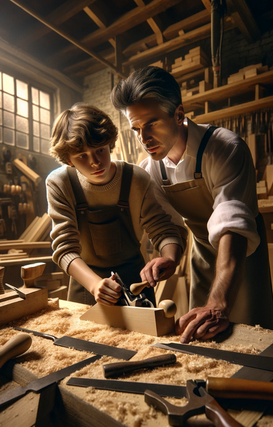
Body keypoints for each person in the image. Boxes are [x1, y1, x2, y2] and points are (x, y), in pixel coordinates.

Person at [110, 66, 273, 342]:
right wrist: (170, 257)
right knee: (203, 338)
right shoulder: (150, 169)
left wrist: (219, 302)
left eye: (151, 123)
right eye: (136, 128)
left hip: (241, 256)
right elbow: (171, 226)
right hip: (202, 255)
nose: (143, 138)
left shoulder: (224, 148)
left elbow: (232, 227)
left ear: (178, 115)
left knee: (253, 341)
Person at [46, 103, 183, 306]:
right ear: (69, 159)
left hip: (135, 283)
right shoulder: (60, 183)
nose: (95, 162)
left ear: (109, 144)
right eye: (82, 156)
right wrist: (94, 285)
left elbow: (163, 229)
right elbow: (65, 249)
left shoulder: (136, 178)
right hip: (86, 286)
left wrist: (169, 257)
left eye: (100, 150)